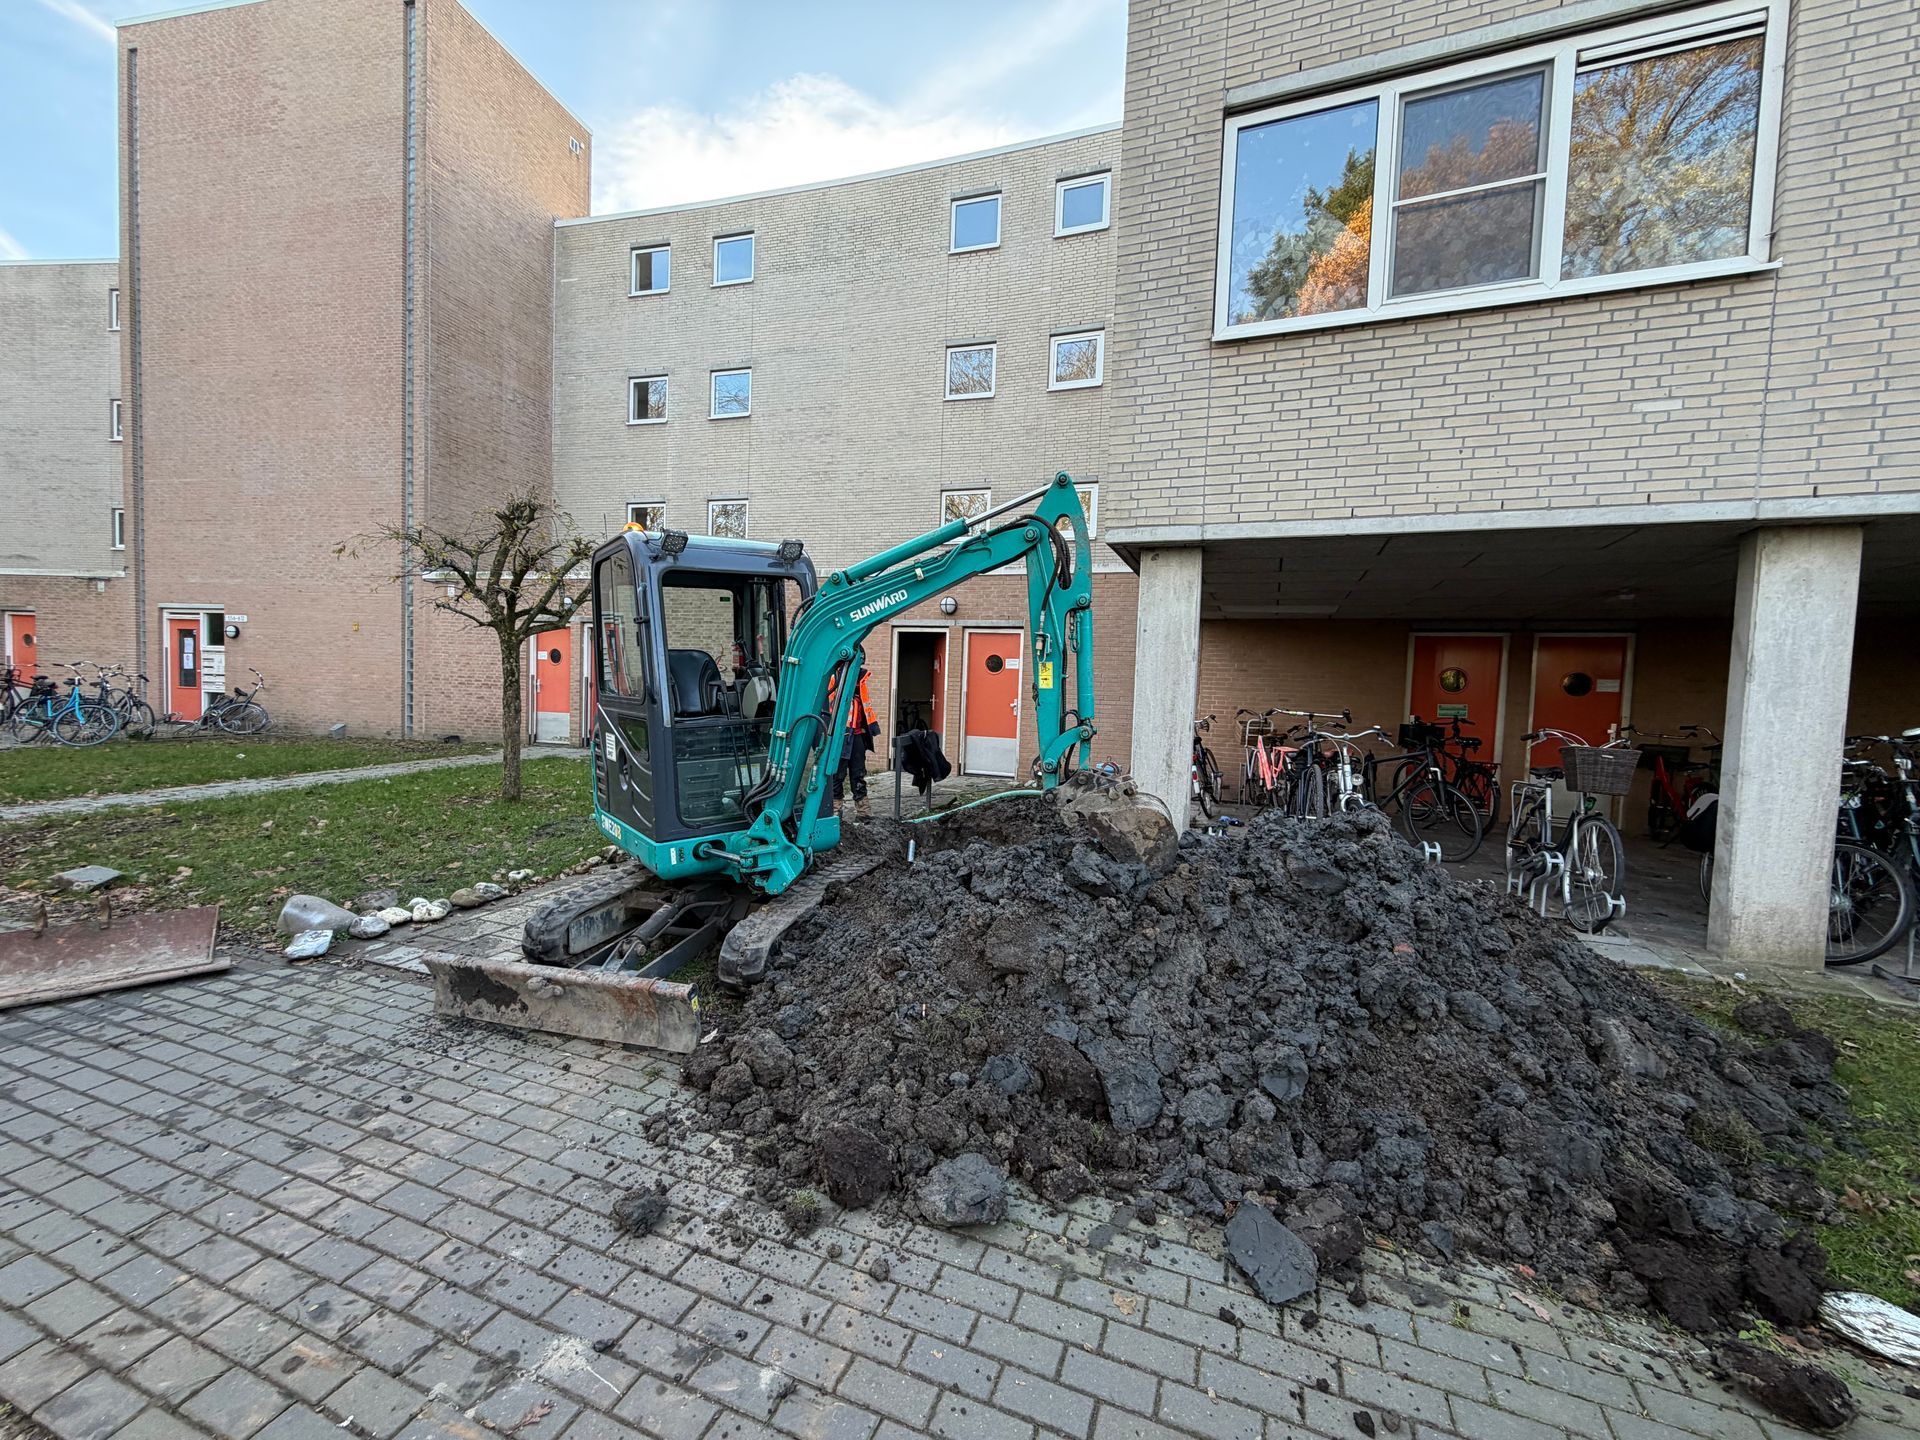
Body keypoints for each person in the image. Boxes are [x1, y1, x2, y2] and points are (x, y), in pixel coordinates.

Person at [828, 666, 880, 817]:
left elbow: (865, 707)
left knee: (858, 773)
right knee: (837, 774)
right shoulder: (834, 678)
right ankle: (835, 811)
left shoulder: (860, 681)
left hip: (856, 735)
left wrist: (868, 729)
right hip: (840, 735)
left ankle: (863, 811)